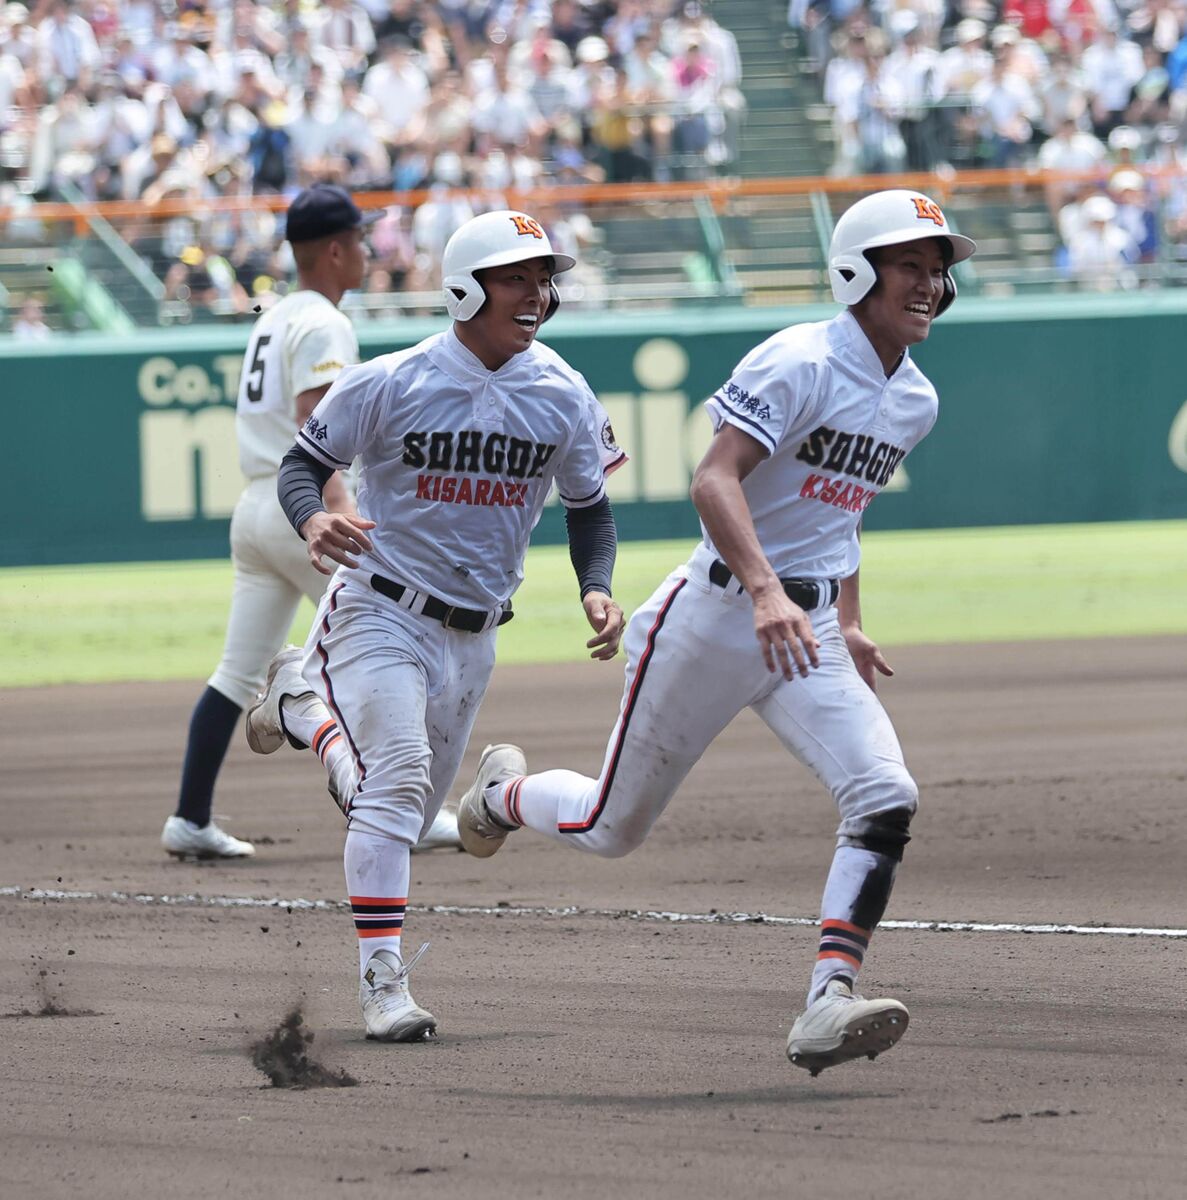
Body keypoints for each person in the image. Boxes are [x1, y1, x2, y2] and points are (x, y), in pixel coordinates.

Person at [453, 189, 976, 1077]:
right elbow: (712, 481)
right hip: (718, 612)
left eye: (938, 270)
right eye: (910, 266)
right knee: (608, 828)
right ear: (858, 272)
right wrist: (770, 592)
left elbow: (836, 513)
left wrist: (842, 619)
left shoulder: (913, 397)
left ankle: (826, 1001)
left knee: (885, 794)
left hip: (801, 624)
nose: (928, 284)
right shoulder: (799, 360)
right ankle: (500, 798)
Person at [244, 210, 628, 1042]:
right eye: (516, 277)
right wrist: (312, 521)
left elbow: (589, 510)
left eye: (543, 279)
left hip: (476, 634)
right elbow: (304, 465)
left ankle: (300, 708)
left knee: (408, 817)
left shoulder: (560, 389)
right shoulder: (392, 380)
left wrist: (595, 587)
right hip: (380, 606)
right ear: (465, 288)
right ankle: (383, 986)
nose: (537, 294)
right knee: (403, 778)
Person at [160, 184, 469, 859]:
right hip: (300, 508)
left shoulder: (274, 314)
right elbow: (315, 426)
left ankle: (190, 816)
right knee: (397, 638)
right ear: (333, 250)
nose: (365, 249)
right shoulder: (325, 323)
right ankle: (401, 810)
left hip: (255, 510)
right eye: (359, 240)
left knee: (236, 674)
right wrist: (339, 507)